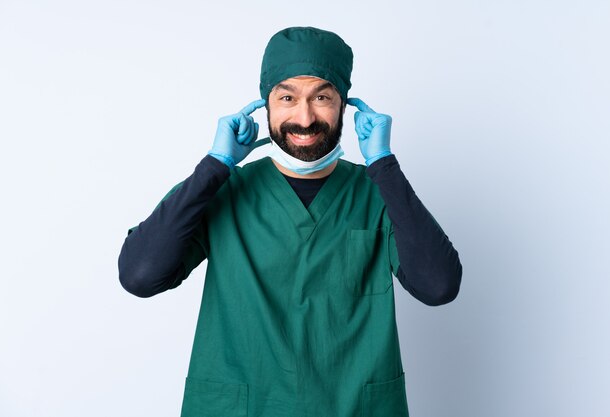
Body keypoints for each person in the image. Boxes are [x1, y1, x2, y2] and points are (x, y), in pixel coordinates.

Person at [118, 26, 462, 417]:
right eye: (287, 97)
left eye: (322, 97)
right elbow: (140, 276)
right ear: (265, 105)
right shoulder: (222, 190)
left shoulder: (378, 195)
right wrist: (215, 165)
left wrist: (383, 165)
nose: (305, 116)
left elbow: (439, 286)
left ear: (344, 105)